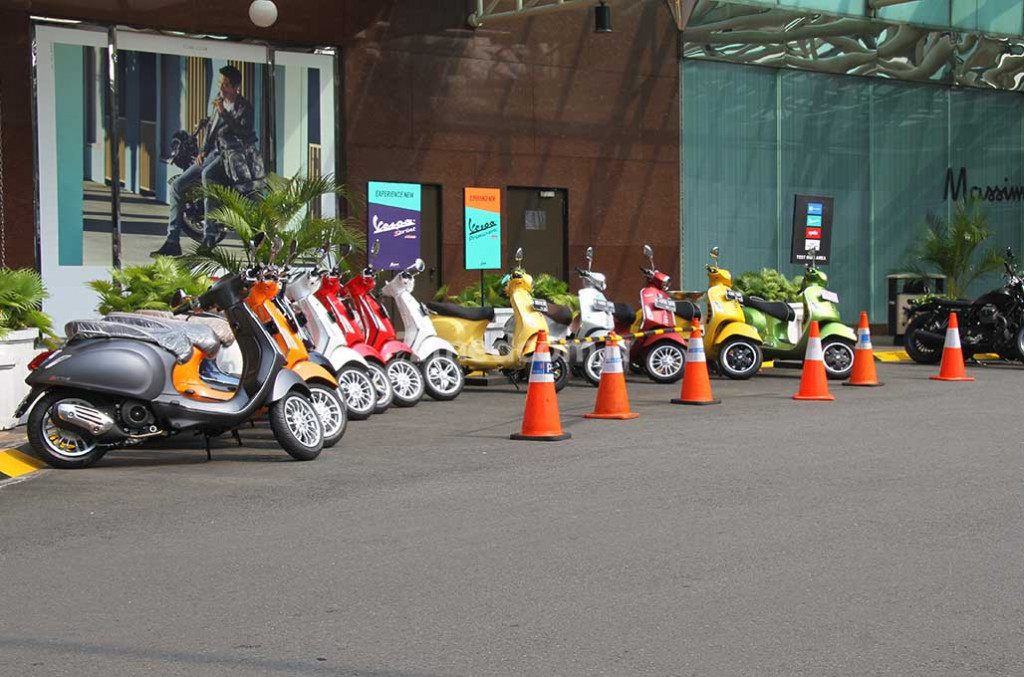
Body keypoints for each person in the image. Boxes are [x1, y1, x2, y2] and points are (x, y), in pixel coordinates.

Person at [151, 65, 264, 256]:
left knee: (207, 175)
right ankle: (172, 241)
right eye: (221, 84)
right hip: (213, 154)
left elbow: (243, 133)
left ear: (236, 87)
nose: (222, 88)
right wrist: (202, 151)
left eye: (227, 85)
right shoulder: (219, 104)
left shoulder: (244, 107)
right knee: (178, 185)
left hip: (233, 158)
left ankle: (209, 238)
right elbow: (211, 131)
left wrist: (224, 113)